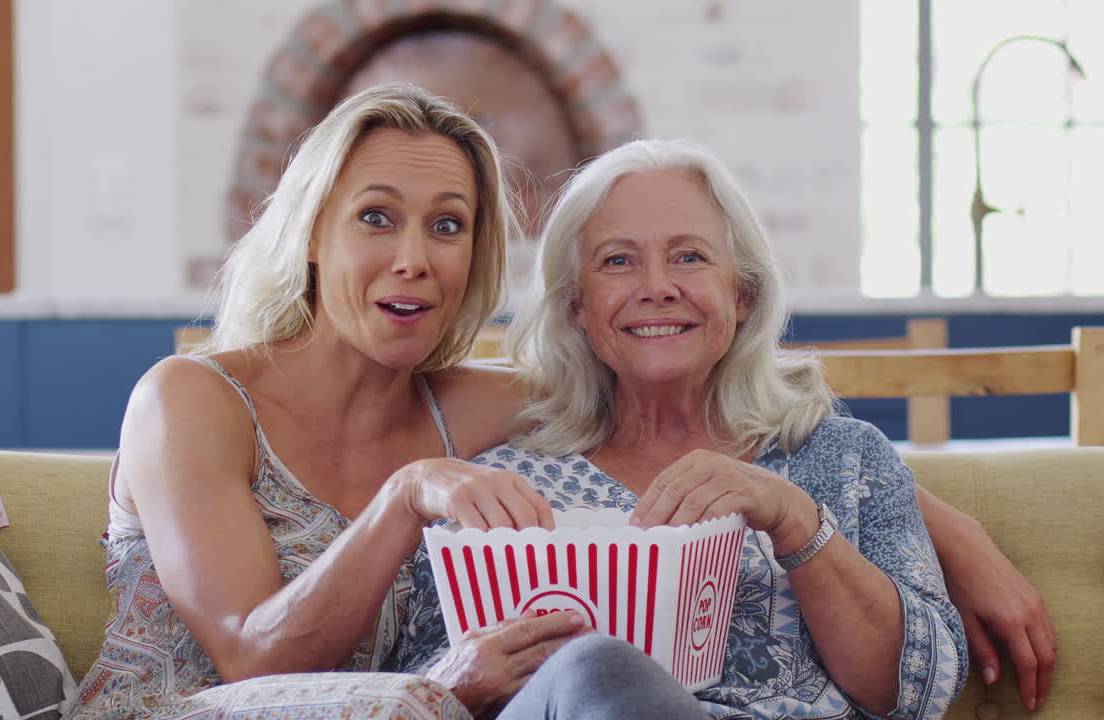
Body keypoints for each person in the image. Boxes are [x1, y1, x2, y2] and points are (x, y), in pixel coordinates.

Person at [389, 138, 969, 719]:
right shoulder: (497, 489)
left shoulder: (844, 459)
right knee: (596, 667)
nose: (657, 286)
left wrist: (793, 520)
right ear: (577, 308)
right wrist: (465, 679)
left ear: (742, 293)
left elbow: (918, 694)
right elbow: (417, 692)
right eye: (618, 261)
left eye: (690, 257)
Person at [64, 83, 589, 720]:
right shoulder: (190, 401)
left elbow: (639, 398)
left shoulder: (470, 408)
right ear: (311, 234)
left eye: (447, 226)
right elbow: (251, 658)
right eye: (376, 218)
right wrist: (406, 495)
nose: (413, 259)